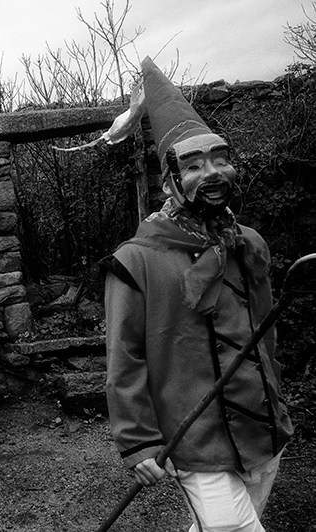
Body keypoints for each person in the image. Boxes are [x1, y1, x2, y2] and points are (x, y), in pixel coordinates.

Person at [100, 57, 293, 532]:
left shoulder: (249, 242)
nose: (212, 173)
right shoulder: (135, 260)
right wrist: (138, 440)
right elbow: (123, 357)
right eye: (193, 165)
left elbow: (264, 332)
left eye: (220, 160)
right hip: (195, 436)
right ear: (169, 181)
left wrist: (276, 396)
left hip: (263, 427)